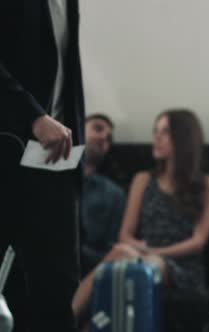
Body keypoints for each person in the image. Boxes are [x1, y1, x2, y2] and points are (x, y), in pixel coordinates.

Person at [72, 109, 209, 322]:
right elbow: (125, 234)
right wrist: (140, 251)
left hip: (182, 269)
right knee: (122, 253)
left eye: (165, 132)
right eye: (155, 131)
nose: (157, 137)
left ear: (184, 138)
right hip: (139, 254)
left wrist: (153, 251)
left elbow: (198, 242)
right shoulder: (143, 179)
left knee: (140, 264)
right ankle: (68, 321)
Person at [0, 1, 85, 331]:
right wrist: (32, 115)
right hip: (9, 147)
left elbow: (67, 71)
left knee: (56, 291)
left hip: (57, 160)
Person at [80, 114, 126, 275]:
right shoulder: (49, 178)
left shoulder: (114, 194)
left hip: (88, 270)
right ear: (77, 126)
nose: (103, 137)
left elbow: (111, 251)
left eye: (109, 138)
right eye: (98, 128)